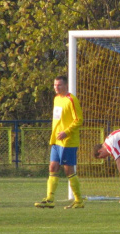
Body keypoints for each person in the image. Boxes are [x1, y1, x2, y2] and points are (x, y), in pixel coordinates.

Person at [35, 76, 85, 209]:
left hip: (68, 141)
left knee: (68, 170)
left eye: (59, 85)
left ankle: (79, 200)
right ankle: (50, 199)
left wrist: (66, 132)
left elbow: (78, 119)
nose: (56, 87)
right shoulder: (56, 99)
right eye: (55, 85)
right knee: (52, 167)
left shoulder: (71, 100)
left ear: (66, 85)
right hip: (56, 141)